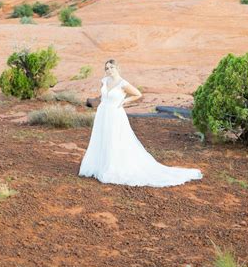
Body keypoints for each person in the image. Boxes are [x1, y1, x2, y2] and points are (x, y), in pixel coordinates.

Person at [78, 59, 203, 187]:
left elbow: (138, 94)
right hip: (103, 113)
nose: (109, 70)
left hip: (115, 114)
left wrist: (124, 101)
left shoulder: (123, 84)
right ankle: (100, 165)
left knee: (114, 139)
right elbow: (103, 97)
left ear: (117, 68)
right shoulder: (104, 81)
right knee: (101, 137)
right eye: (107, 68)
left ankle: (112, 166)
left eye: (111, 67)